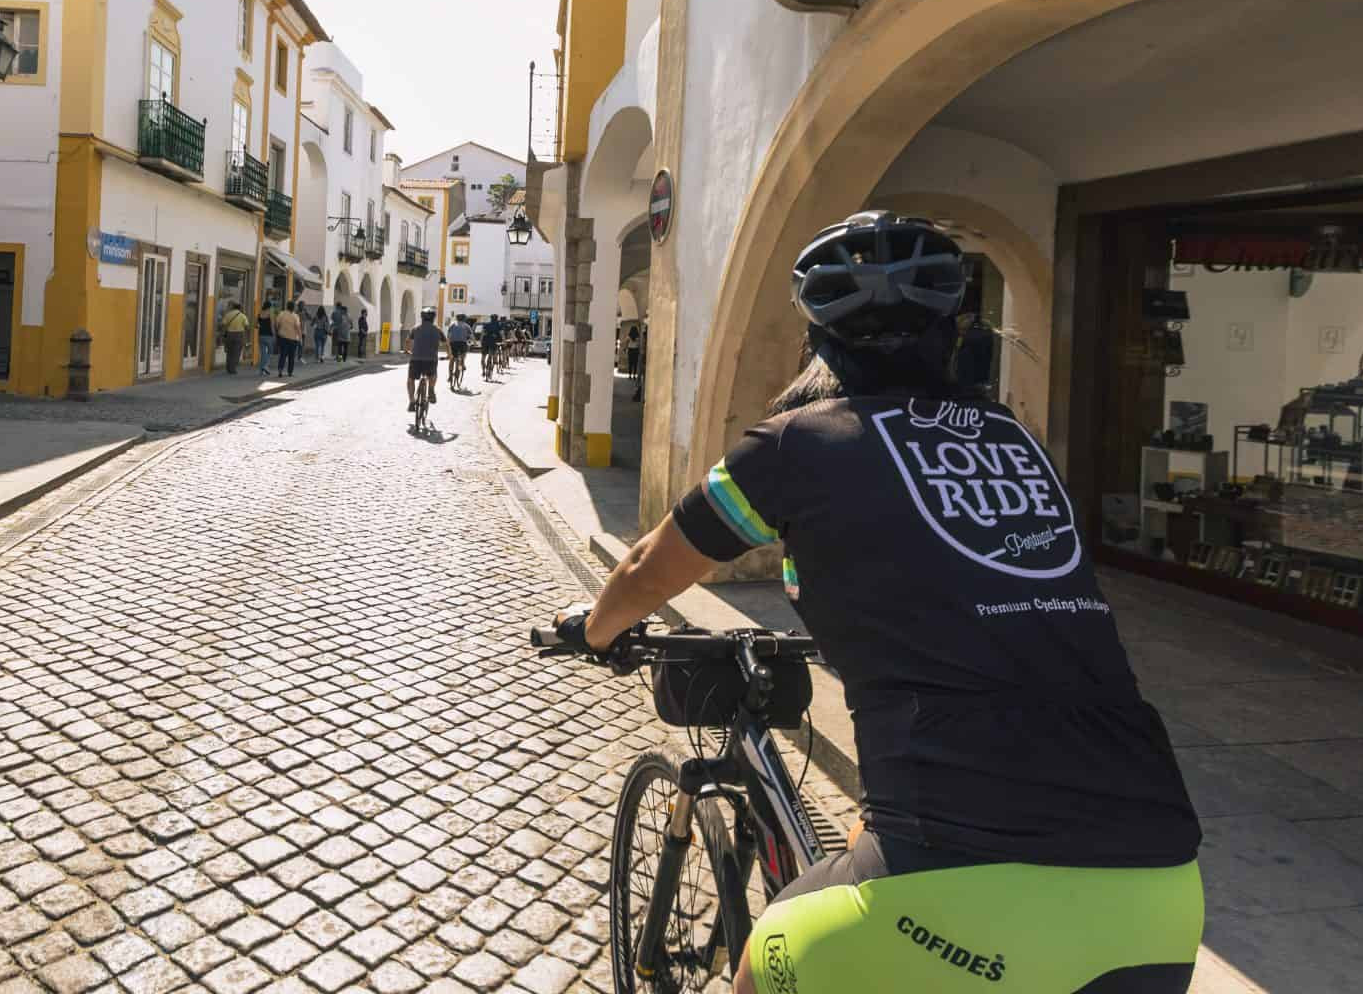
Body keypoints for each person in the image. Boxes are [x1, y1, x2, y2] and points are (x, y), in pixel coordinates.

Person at [551, 212, 1202, 994]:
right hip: (1159, 883)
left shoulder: (796, 443)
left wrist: (594, 632)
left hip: (958, 865)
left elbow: (651, 564)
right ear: (957, 336)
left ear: (819, 345)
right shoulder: (1016, 440)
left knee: (763, 964)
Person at [406, 307, 445, 414]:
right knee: (433, 375)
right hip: (431, 359)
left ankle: (412, 401)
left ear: (421, 317)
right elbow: (447, 343)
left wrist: (408, 351)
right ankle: (431, 388)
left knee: (410, 379)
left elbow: (408, 341)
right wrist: (449, 355)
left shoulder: (415, 328)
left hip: (416, 359)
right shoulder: (438, 329)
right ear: (434, 318)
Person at [274, 303, 302, 377]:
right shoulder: (295, 316)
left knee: (283, 354)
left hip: (282, 337)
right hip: (293, 339)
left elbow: (277, 324)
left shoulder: (281, 314)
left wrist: (278, 331)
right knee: (291, 356)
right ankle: (290, 372)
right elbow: (298, 328)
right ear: (293, 308)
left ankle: (280, 370)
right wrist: (300, 338)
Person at [221, 302, 249, 377]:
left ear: (233, 307)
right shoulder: (243, 316)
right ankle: (233, 368)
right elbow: (246, 326)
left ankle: (228, 367)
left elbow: (223, 324)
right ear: (240, 308)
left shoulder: (228, 314)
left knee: (229, 351)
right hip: (239, 334)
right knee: (236, 352)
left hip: (229, 334)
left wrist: (223, 334)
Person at [446, 314, 473, 385]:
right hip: (462, 344)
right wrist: (475, 343)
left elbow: (448, 336)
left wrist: (448, 344)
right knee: (462, 356)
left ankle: (450, 375)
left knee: (452, 359)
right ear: (464, 319)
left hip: (453, 344)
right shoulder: (467, 326)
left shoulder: (452, 325)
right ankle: (462, 363)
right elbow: (471, 336)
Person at [480, 314, 503, 379]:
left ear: (491, 318)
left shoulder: (486, 324)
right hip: (493, 343)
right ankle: (491, 370)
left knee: (483, 358)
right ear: (497, 318)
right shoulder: (499, 325)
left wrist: (481, 341)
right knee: (493, 357)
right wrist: (504, 341)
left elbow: (482, 333)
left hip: (485, 342)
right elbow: (502, 333)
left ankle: (483, 371)